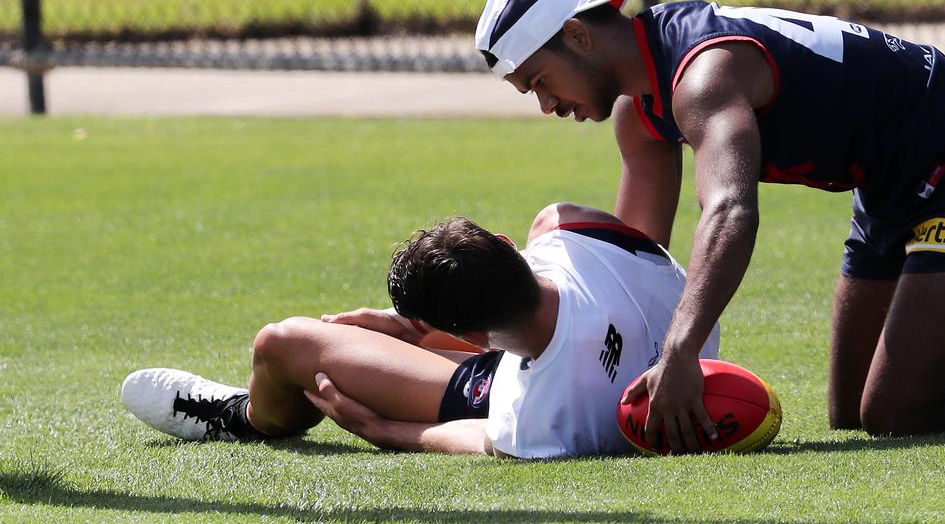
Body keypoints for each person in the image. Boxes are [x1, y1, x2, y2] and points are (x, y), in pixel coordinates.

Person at [473, 0, 945, 451]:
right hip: (889, 186)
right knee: (852, 410)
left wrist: (682, 352)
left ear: (577, 34)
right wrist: (515, 332)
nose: (547, 105)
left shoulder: (701, 75)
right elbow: (631, 259)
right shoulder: (640, 114)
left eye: (541, 81)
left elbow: (729, 213)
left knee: (896, 413)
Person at [120, 203, 719, 458]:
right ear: (508, 245)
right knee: (551, 217)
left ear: (467, 334)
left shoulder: (532, 410)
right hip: (668, 362)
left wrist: (380, 428)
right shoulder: (572, 231)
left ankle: (242, 418)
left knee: (281, 342)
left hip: (504, 383)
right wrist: (418, 333)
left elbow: (481, 437)